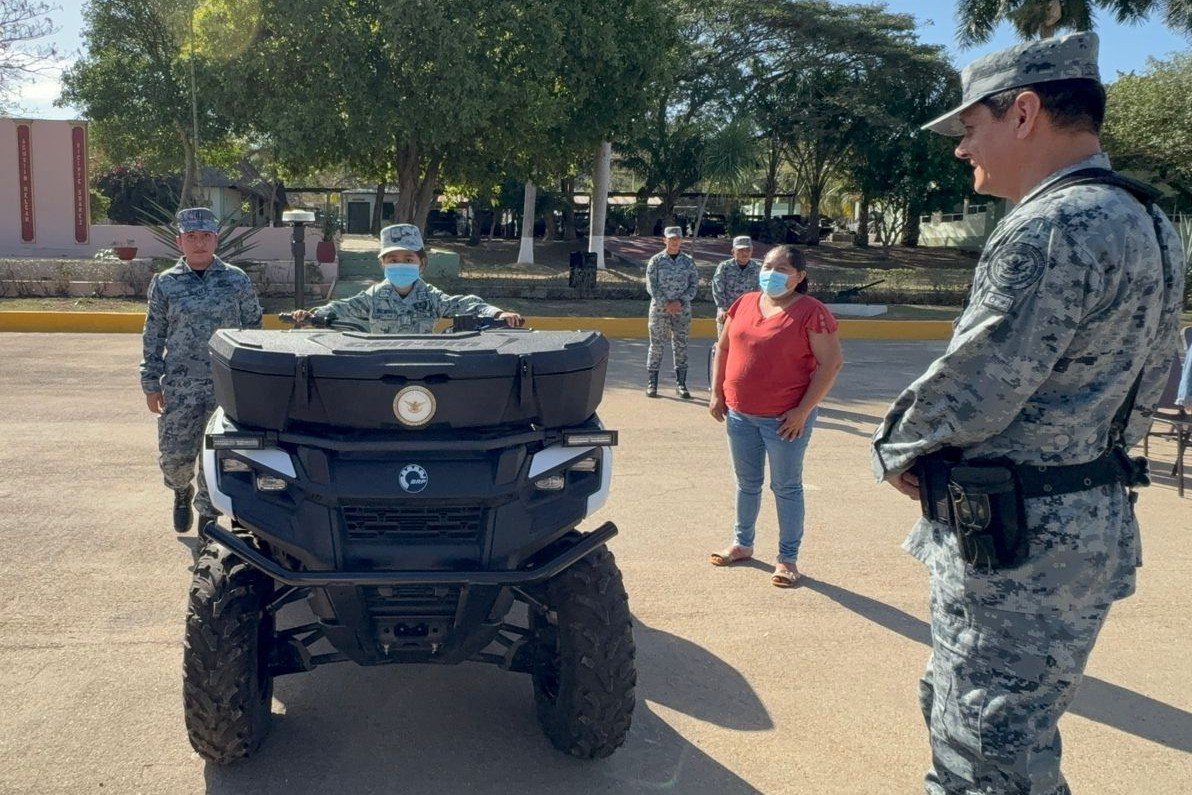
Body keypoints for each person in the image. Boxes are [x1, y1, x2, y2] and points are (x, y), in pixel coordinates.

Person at [871, 32, 1184, 794]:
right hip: (1084, 518)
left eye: (969, 127)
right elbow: (1158, 378)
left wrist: (898, 445)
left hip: (1015, 542)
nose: (960, 149)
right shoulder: (1150, 218)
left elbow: (980, 381)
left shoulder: (1052, 226)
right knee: (1011, 737)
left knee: (983, 753)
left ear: (1024, 113)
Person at [708, 244, 843, 587]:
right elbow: (723, 348)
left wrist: (802, 411)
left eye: (782, 269)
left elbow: (831, 364)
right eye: (768, 266)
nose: (772, 273)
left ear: (800, 276)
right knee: (747, 484)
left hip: (784, 419)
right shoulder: (745, 302)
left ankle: (787, 559)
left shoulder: (812, 312)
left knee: (786, 486)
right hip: (740, 414)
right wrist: (716, 392)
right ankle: (742, 544)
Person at [141, 207, 263, 534]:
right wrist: (150, 382)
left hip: (225, 387)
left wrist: (252, 381)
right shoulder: (165, 283)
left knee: (218, 455)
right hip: (179, 388)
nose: (199, 243)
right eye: (191, 237)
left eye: (206, 236)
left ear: (216, 239)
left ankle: (208, 519)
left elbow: (253, 329)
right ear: (180, 240)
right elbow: (154, 334)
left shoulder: (236, 279)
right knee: (175, 458)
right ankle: (181, 491)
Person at [290, 224, 523, 333]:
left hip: (425, 369)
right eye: (392, 260)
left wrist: (498, 314)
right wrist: (312, 316)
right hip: (378, 370)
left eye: (408, 259)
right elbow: (342, 308)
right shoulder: (373, 297)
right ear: (382, 264)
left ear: (421, 264)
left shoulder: (431, 296)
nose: (400, 264)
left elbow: (463, 303)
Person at [645, 226, 700, 398]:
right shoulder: (656, 261)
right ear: (665, 240)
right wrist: (666, 302)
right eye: (671, 239)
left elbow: (694, 284)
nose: (674, 242)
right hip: (660, 310)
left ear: (681, 240)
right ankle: (652, 384)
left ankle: (681, 384)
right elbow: (651, 285)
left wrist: (680, 301)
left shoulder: (688, 261)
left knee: (681, 345)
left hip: (682, 310)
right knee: (656, 346)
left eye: (677, 239)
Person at [711, 235, 762, 338]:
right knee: (724, 347)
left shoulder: (757, 268)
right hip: (727, 312)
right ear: (733, 251)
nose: (745, 253)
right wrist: (722, 308)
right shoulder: (724, 267)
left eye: (748, 250)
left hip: (748, 314)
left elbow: (760, 291)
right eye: (741, 250)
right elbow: (717, 287)